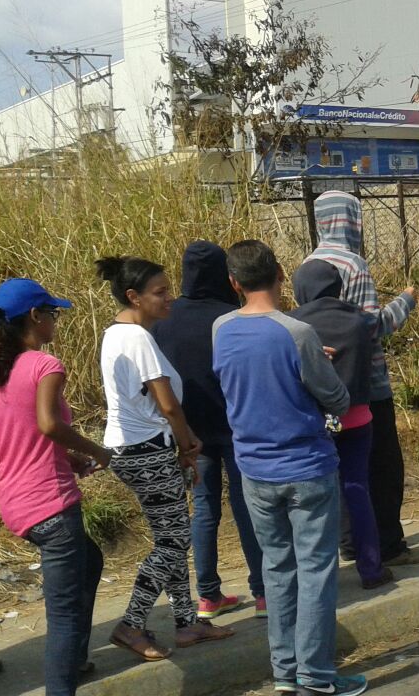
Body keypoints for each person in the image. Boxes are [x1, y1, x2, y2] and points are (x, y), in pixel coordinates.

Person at [214, 240, 364, 696]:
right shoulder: (297, 333)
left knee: (278, 570)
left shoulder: (222, 328)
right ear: (280, 273)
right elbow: (336, 398)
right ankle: (315, 676)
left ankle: (285, 672)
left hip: (254, 470)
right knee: (316, 571)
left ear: (234, 283)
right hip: (305, 466)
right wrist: (321, 367)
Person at [96, 255, 234, 660]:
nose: (169, 298)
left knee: (169, 536)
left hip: (134, 447)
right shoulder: (137, 338)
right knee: (174, 542)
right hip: (147, 450)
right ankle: (132, 623)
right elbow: (167, 402)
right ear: (133, 296)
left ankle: (187, 621)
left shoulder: (116, 333)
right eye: (160, 293)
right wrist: (187, 442)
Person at [0, 278, 110, 696]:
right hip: (51, 505)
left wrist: (67, 457)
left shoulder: (2, 371)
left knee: (90, 560)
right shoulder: (45, 365)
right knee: (61, 616)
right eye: (52, 313)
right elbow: (48, 423)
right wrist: (97, 452)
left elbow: (20, 435)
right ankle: (63, 679)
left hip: (16, 503)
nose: (56, 321)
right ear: (34, 316)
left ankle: (75, 658)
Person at [305, 191, 419, 568]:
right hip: (367, 382)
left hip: (325, 384)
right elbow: (372, 326)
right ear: (352, 220)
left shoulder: (309, 264)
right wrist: (405, 301)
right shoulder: (354, 265)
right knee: (383, 465)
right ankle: (388, 543)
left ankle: (350, 543)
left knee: (341, 468)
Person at [152, 241, 264, 620]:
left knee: (203, 510)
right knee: (247, 508)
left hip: (191, 433)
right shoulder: (231, 315)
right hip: (236, 428)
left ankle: (208, 596)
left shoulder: (165, 319)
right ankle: (263, 593)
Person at [288, 260, 402, 590]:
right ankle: (371, 567)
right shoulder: (358, 319)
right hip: (358, 418)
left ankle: (329, 570)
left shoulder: (293, 324)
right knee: (357, 487)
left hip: (316, 421)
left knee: (320, 495)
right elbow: (384, 324)